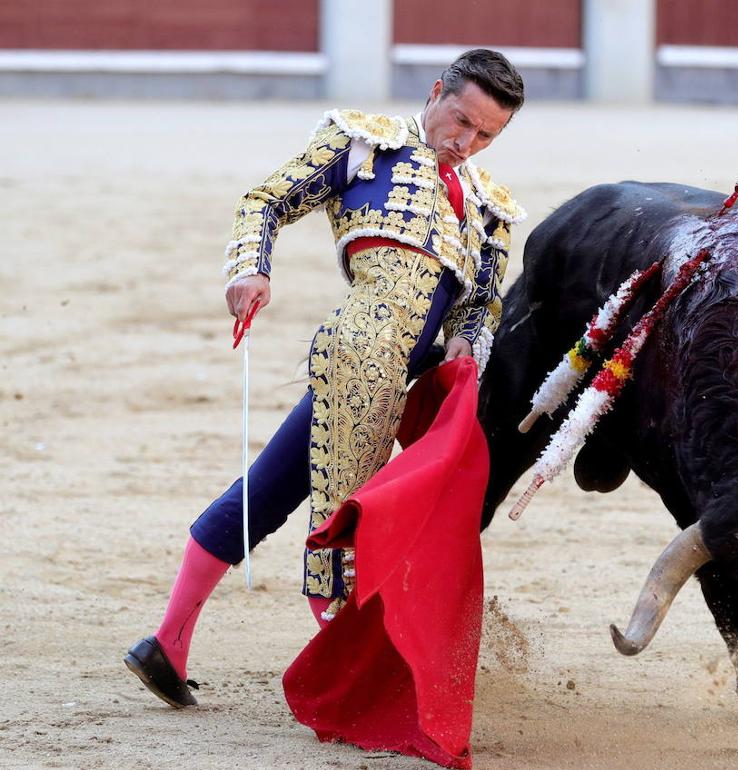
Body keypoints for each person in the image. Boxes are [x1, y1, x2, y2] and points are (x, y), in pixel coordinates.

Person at [124, 48, 526, 709]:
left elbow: (481, 303)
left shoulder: (489, 208)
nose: (466, 142)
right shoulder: (367, 145)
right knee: (346, 516)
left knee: (270, 489)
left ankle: (166, 643)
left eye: (487, 134)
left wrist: (465, 339)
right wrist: (250, 268)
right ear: (436, 92)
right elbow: (267, 199)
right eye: (461, 120)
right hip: (357, 352)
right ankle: (353, 682)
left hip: (406, 379)